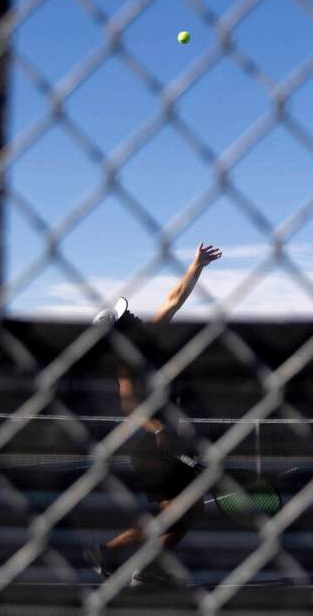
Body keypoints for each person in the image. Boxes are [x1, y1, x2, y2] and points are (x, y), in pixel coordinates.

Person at [84, 243, 222, 587]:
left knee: (184, 511)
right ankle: (123, 558)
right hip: (147, 446)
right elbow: (128, 406)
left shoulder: (147, 337)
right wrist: (156, 426)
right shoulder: (126, 361)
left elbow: (174, 298)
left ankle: (122, 558)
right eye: (124, 317)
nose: (130, 315)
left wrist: (197, 266)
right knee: (181, 511)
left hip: (159, 443)